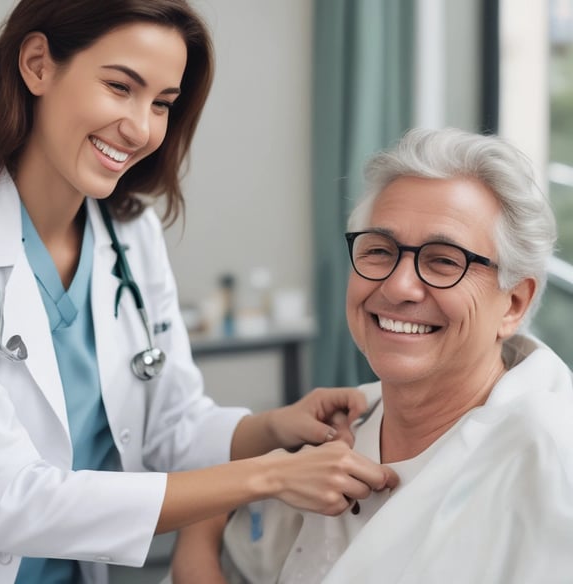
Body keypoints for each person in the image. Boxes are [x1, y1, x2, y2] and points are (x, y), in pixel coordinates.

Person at [0, 2, 399, 584]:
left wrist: (272, 429)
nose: (141, 128)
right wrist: (269, 476)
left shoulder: (129, 233)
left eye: (163, 104)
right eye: (121, 86)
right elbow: (3, 497)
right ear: (39, 65)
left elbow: (172, 426)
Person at [168, 127, 573, 584]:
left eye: (444, 260)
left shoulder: (552, 457)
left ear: (514, 303)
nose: (398, 287)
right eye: (379, 250)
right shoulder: (341, 425)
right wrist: (201, 527)